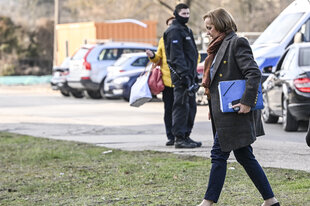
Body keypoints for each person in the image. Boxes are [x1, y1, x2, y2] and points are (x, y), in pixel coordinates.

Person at [197, 8, 280, 206]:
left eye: (210, 27)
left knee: (218, 154)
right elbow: (218, 82)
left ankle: (208, 202)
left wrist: (246, 102)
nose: (207, 32)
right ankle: (271, 200)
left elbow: (253, 73)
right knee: (244, 156)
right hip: (225, 112)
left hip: (236, 111)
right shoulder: (217, 47)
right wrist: (213, 107)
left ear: (221, 24)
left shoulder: (237, 42)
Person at [163, 3, 202, 148]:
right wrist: (184, 75)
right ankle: (179, 138)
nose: (186, 16)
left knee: (191, 107)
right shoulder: (174, 31)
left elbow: (191, 55)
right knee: (181, 106)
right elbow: (176, 56)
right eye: (183, 14)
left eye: (187, 14)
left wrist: (193, 75)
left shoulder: (186, 30)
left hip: (190, 75)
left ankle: (186, 135)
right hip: (181, 77)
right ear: (176, 14)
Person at [146, 16, 175, 146]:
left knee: (182, 110)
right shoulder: (163, 40)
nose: (171, 26)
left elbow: (195, 57)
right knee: (168, 110)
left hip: (182, 81)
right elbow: (158, 59)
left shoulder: (186, 36)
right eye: (168, 24)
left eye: (173, 23)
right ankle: (171, 136)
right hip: (167, 82)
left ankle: (183, 135)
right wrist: (152, 56)